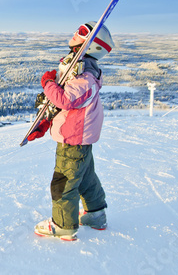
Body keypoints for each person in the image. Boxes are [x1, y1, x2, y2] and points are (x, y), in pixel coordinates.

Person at [28, 21, 114, 241]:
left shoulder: (86, 77)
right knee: (85, 177)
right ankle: (95, 215)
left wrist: (48, 83)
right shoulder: (84, 71)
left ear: (92, 44)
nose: (76, 34)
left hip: (73, 139)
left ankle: (63, 226)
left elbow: (66, 100)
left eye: (83, 32)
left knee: (63, 182)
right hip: (79, 136)